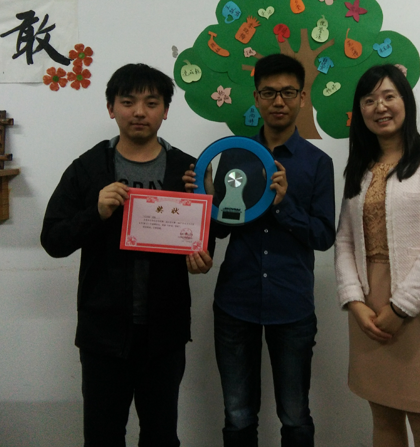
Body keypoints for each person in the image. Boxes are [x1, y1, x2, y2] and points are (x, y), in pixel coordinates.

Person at [40, 63, 213, 447]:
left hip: (164, 333)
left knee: (161, 436)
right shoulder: (88, 168)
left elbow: (204, 240)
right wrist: (96, 212)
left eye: (151, 103)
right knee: (102, 437)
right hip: (103, 333)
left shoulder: (187, 169)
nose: (139, 111)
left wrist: (202, 256)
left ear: (165, 111)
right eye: (128, 101)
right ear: (111, 108)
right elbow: (53, 240)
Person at [184, 53, 335, 447]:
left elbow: (323, 236)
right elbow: (222, 228)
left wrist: (284, 205)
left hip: (292, 304)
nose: (278, 101)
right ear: (256, 98)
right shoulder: (235, 155)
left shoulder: (318, 163)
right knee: (237, 417)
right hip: (237, 301)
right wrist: (207, 198)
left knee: (295, 416)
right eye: (269, 93)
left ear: (302, 97)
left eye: (288, 92)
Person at [334, 63, 420, 447]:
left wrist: (401, 307)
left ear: (406, 101)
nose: (380, 107)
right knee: (384, 421)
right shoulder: (359, 168)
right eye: (369, 100)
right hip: (368, 307)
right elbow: (344, 241)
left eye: (389, 96)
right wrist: (354, 302)